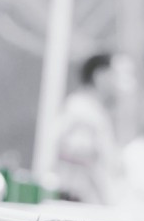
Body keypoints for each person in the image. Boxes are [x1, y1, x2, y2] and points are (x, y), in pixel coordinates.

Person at [44, 52, 122, 204]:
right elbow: (83, 158)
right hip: (77, 203)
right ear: (99, 76)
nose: (118, 83)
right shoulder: (82, 111)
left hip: (85, 204)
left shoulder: (92, 111)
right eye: (114, 75)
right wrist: (108, 201)